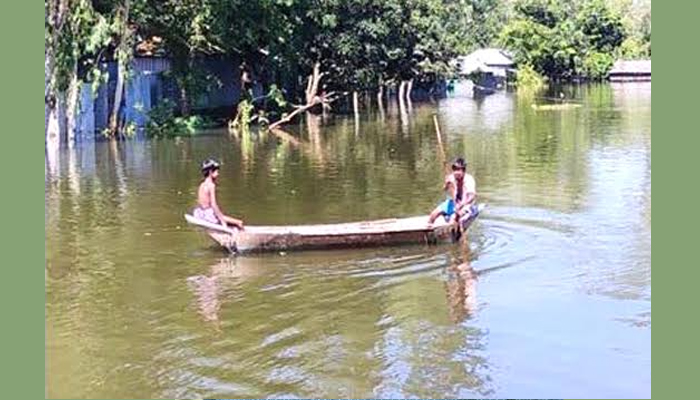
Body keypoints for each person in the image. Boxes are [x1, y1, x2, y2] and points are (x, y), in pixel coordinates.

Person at [193, 159, 244, 230]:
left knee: (229, 221)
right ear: (210, 172)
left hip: (200, 214)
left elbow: (199, 202)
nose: (218, 174)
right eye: (216, 171)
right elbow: (214, 205)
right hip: (209, 215)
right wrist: (223, 221)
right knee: (239, 222)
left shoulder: (202, 185)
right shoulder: (211, 185)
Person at [428, 157, 477, 227]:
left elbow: (472, 196)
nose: (456, 172)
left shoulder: (469, 179)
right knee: (433, 214)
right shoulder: (451, 177)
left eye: (458, 169)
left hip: (465, 204)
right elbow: (445, 189)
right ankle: (428, 231)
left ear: (463, 170)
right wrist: (447, 184)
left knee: (454, 218)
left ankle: (451, 232)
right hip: (453, 202)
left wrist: (462, 205)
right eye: (454, 169)